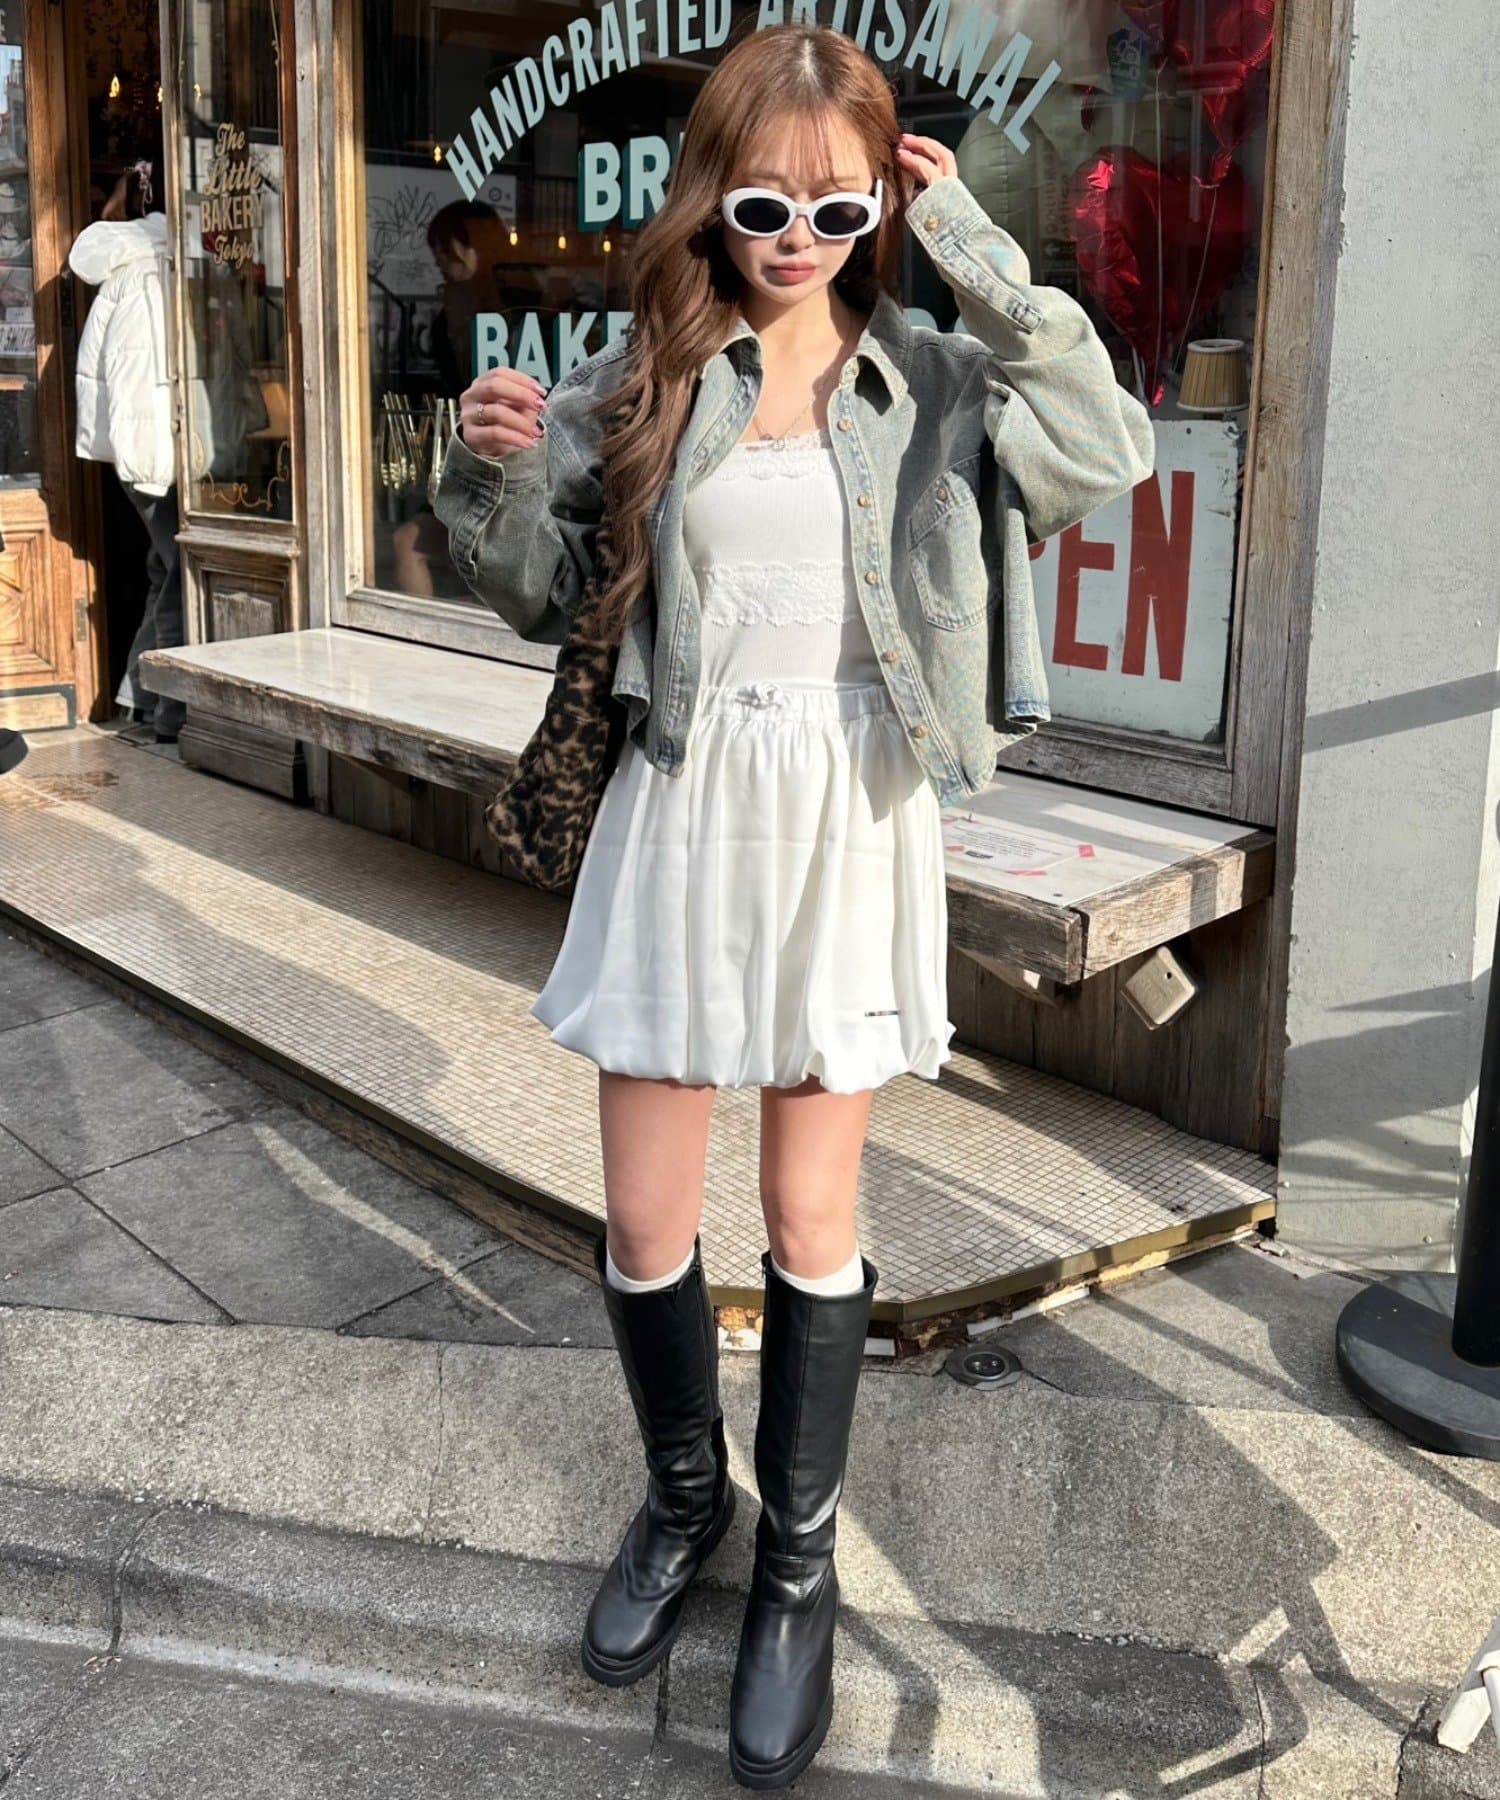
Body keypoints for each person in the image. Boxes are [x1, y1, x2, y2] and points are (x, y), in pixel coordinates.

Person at [435, 23, 1153, 1789]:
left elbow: (1108, 446)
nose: (797, 238)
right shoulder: (647, 373)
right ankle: (689, 1501)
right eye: (763, 203)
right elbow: (532, 590)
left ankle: (801, 1569)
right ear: (714, 196)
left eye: (837, 207)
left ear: (879, 207)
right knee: (642, 1208)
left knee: (807, 1211)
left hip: (851, 805)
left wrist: (974, 248)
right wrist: (491, 463)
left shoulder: (934, 378)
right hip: (686, 794)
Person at [69, 157, 186, 744]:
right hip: (159, 448)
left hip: (158, 447)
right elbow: (139, 382)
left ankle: (140, 698)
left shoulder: (140, 268)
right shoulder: (148, 273)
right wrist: (152, 463)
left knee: (166, 568)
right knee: (182, 570)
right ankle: (171, 712)